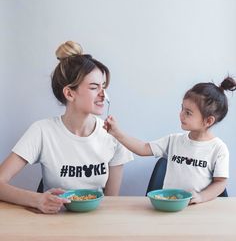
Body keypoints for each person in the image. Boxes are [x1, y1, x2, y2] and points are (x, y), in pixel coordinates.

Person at [0, 41, 133, 214]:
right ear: (69, 93)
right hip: (53, 224)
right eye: (94, 87)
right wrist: (37, 199)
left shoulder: (113, 135)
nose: (103, 95)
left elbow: (111, 202)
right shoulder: (42, 131)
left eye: (104, 87)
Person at [104, 76, 236, 204]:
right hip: (170, 205)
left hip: (198, 209)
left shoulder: (218, 149)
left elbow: (220, 182)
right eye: (182, 109)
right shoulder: (173, 140)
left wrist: (201, 197)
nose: (181, 114)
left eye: (188, 112)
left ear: (208, 121)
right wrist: (117, 133)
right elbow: (143, 148)